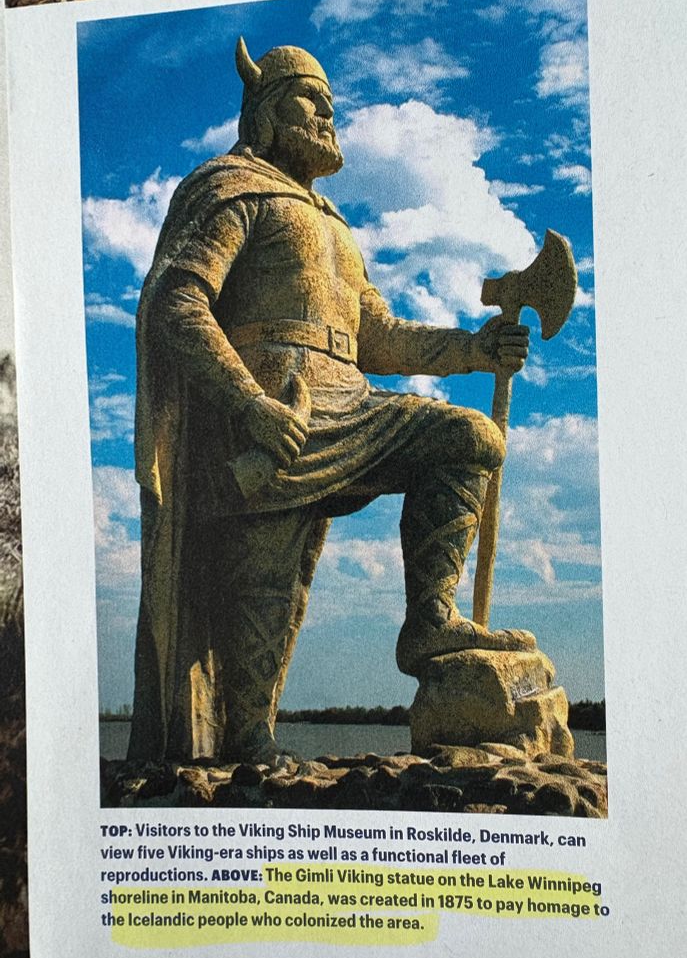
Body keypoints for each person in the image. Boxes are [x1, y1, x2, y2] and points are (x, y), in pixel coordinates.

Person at [128, 39, 533, 764]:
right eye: (310, 99)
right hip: (271, 409)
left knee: (469, 437)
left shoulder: (336, 226)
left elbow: (377, 335)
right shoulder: (234, 190)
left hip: (352, 400)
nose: (327, 115)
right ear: (265, 109)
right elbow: (178, 301)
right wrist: (247, 403)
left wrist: (473, 349)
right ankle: (247, 743)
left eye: (330, 104)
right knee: (267, 578)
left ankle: (430, 621)